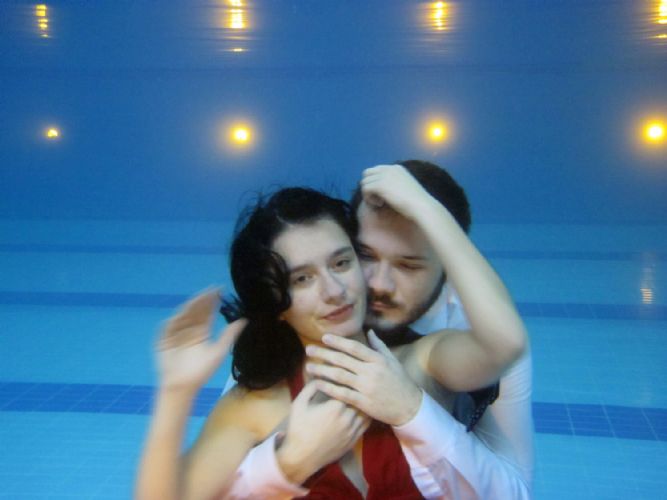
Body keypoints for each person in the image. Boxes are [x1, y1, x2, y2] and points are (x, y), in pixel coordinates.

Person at [135, 181, 527, 499]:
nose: (335, 291)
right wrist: (176, 391)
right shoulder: (255, 404)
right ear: (276, 302)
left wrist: (429, 210)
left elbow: (506, 344)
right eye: (302, 279)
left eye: (341, 263)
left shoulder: (422, 361)